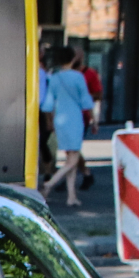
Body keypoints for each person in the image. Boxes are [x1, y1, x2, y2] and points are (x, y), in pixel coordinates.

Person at [39, 45, 96, 208]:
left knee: (70, 157)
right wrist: (94, 119)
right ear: (73, 59)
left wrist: (50, 120)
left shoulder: (55, 77)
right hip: (75, 119)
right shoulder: (78, 77)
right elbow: (86, 100)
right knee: (73, 159)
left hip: (60, 120)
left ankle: (71, 196)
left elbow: (48, 104)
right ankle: (50, 183)